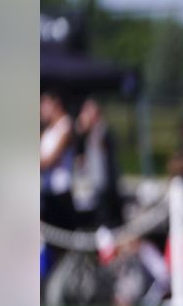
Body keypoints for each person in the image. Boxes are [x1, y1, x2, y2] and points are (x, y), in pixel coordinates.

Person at [72, 98, 122, 229]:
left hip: (104, 187)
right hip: (89, 188)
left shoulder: (102, 131)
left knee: (107, 224)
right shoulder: (87, 135)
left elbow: (104, 149)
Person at [39, 91, 75, 232]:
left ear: (56, 104)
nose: (42, 109)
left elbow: (50, 160)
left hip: (61, 192)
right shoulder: (47, 131)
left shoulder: (65, 126)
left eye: (45, 104)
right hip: (47, 191)